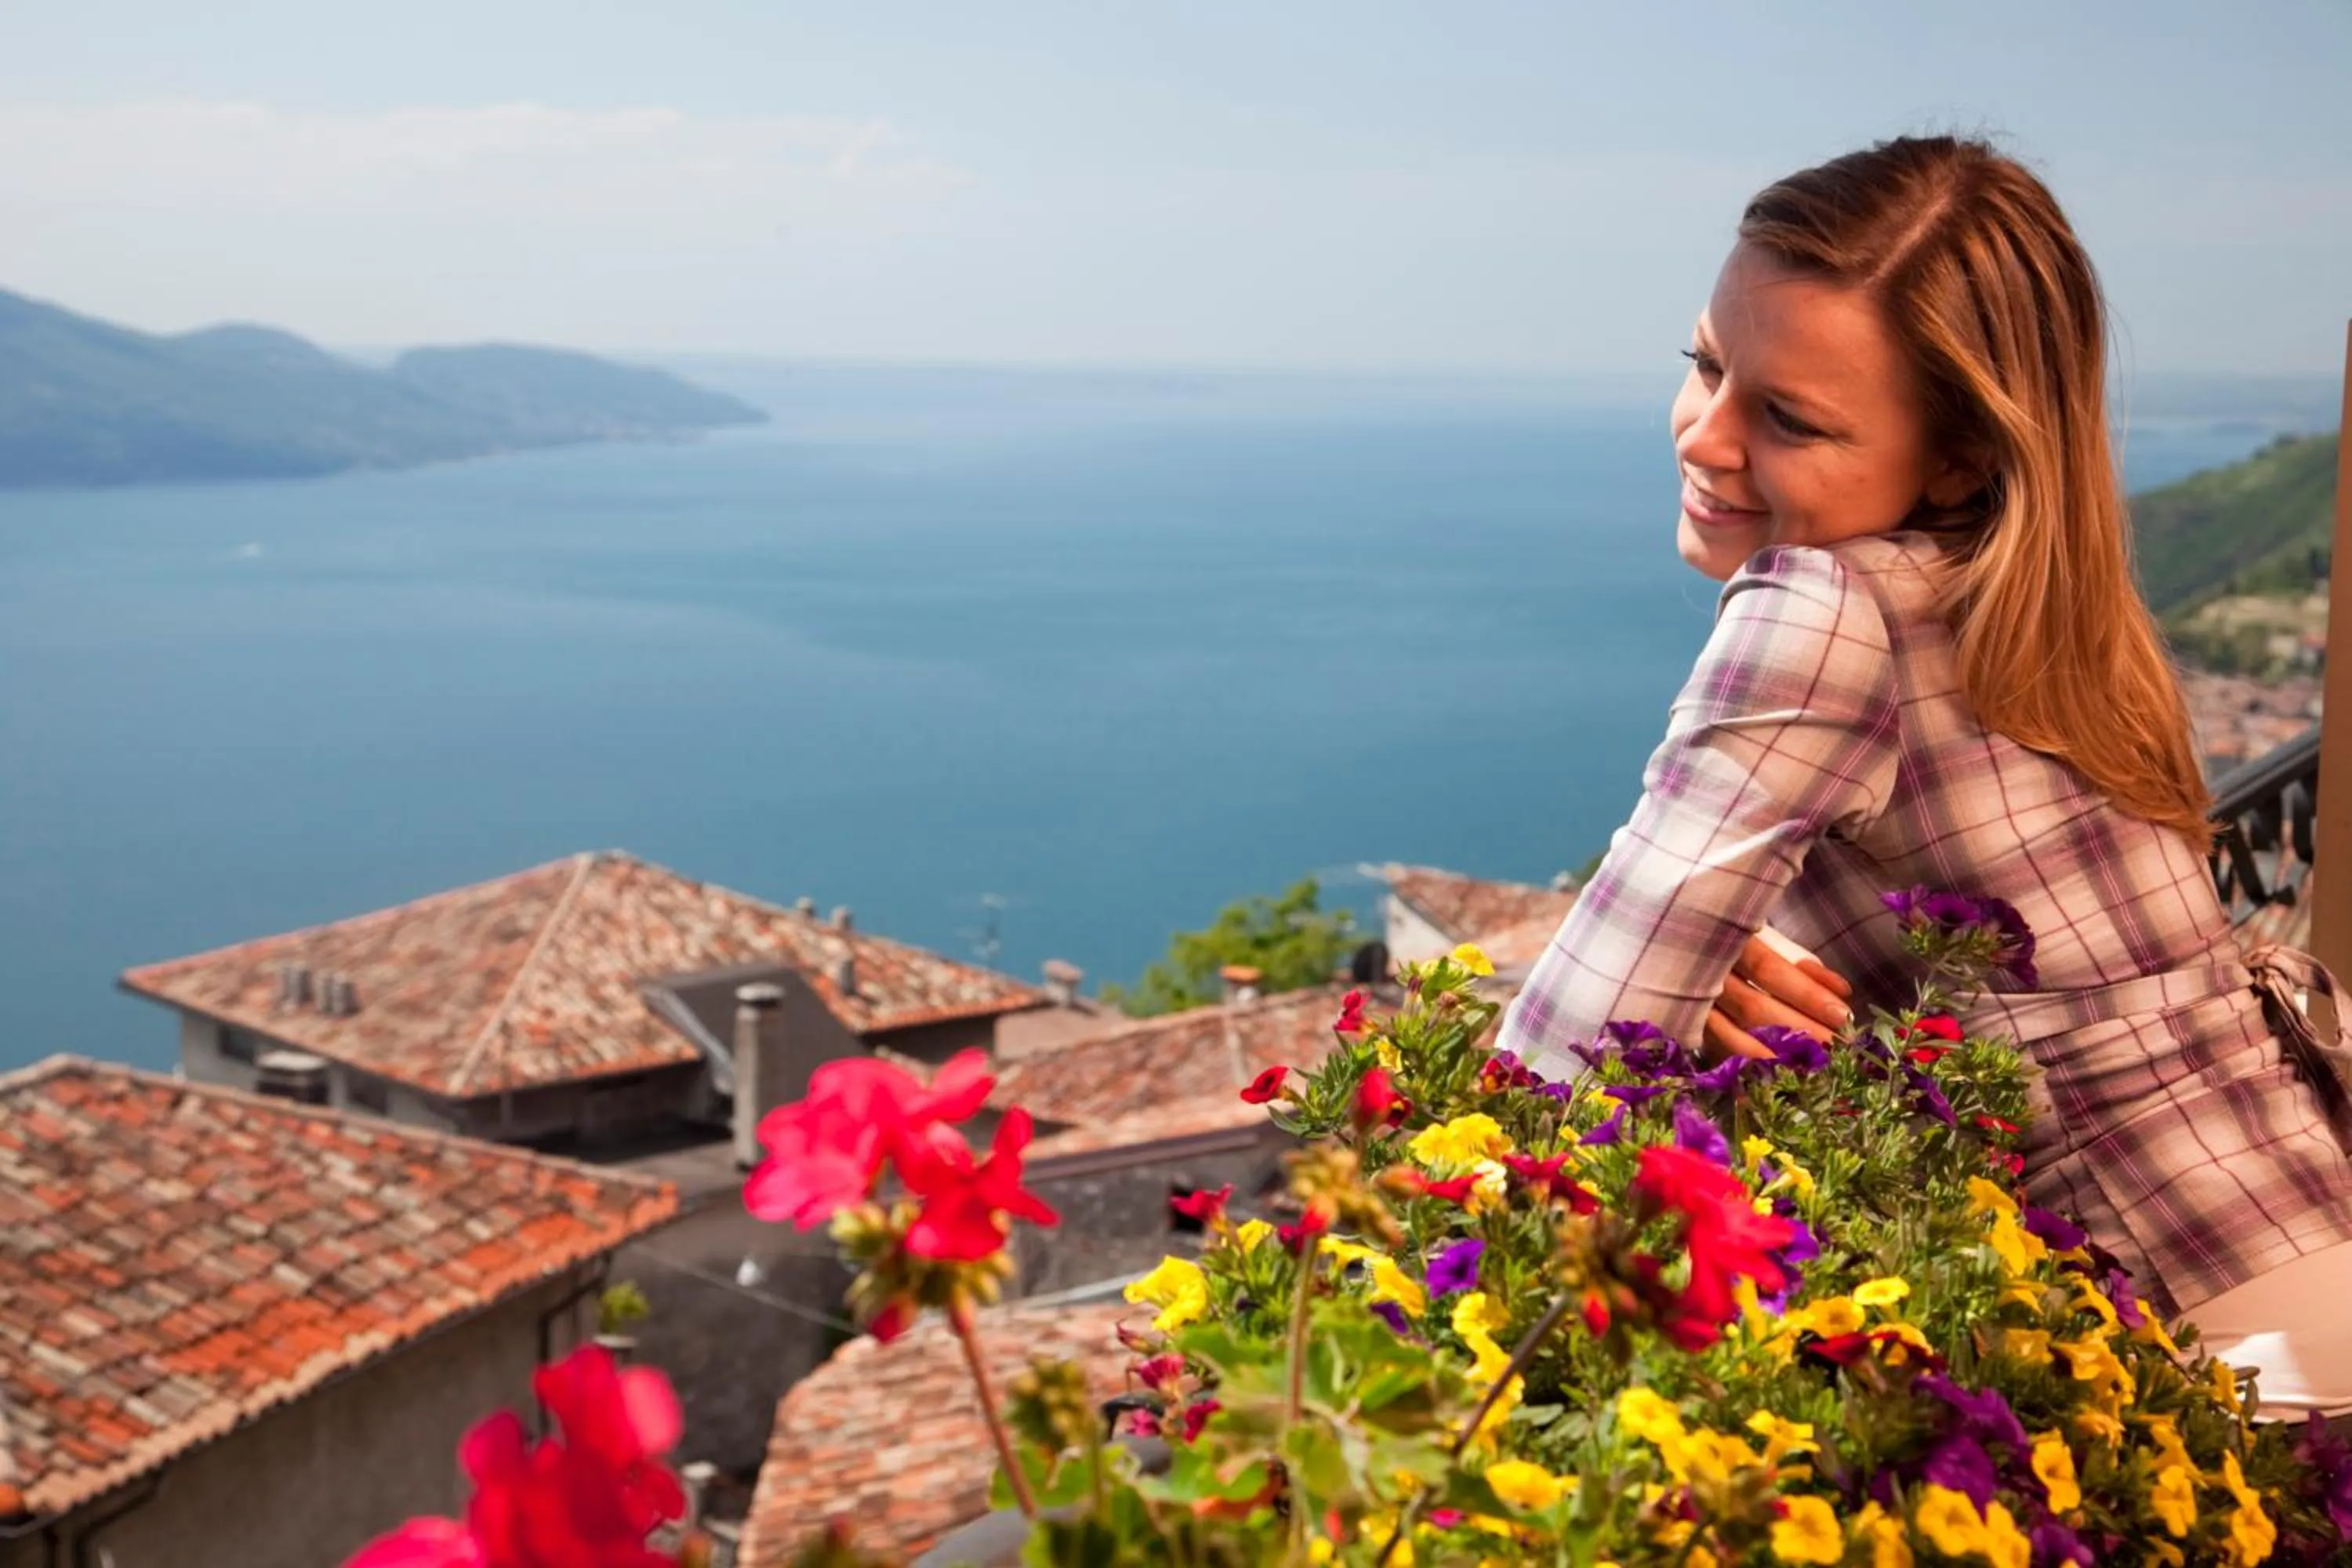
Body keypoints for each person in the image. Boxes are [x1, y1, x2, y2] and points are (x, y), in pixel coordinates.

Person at [1496, 134, 2352, 1412]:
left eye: (1788, 417)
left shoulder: (1823, 606)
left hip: (2207, 1343)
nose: (1707, 438)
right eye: (1706, 364)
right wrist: (1726, 967)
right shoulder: (2057, 607)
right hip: (2300, 1230)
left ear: (1958, 456)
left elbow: (1561, 1065)